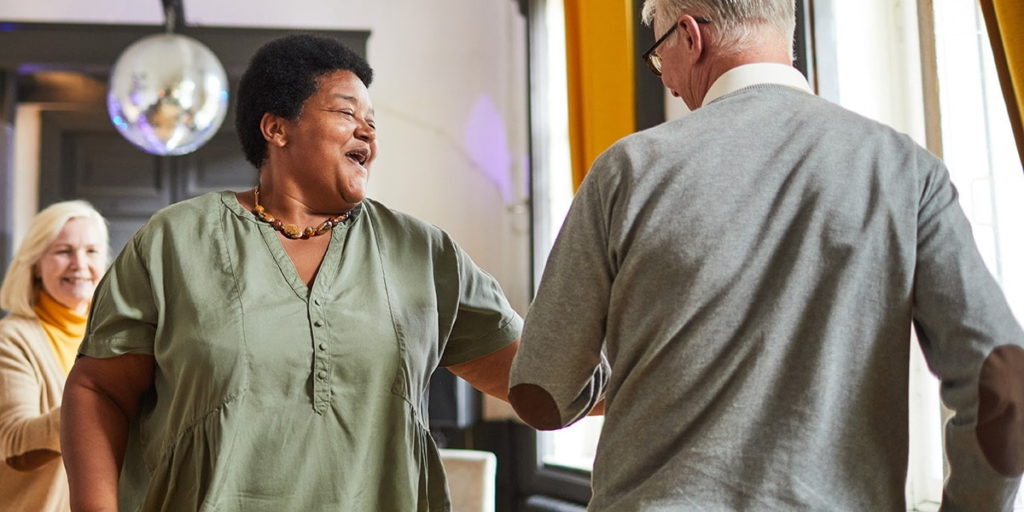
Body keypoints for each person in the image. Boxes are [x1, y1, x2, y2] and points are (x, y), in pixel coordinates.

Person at [509, 0, 1024, 510]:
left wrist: (640, 361)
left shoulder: (627, 171)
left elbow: (541, 394)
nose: (665, 79)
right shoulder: (907, 171)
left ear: (690, 36)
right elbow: (1006, 384)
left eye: (658, 55)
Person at [61, 34, 522, 511]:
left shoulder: (424, 252)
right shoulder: (176, 240)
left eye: (371, 122)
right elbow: (98, 390)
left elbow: (543, 381)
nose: (367, 132)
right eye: (346, 113)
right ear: (276, 129)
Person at [0, 200, 109, 512]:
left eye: (91, 251)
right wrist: (94, 406)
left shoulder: (116, 333)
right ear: (35, 263)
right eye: (63, 251)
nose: (79, 263)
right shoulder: (12, 340)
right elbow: (14, 442)